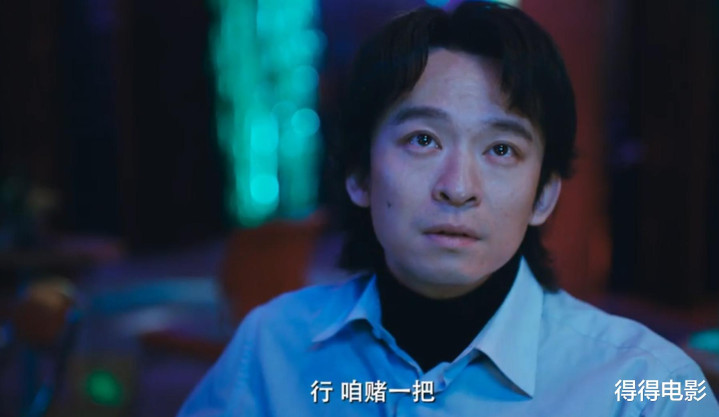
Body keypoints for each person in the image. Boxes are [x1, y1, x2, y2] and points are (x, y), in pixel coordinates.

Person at [178, 2, 719, 415]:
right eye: (423, 140)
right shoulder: (272, 348)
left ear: (544, 195)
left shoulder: (646, 387)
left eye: (501, 149)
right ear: (359, 175)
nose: (458, 187)